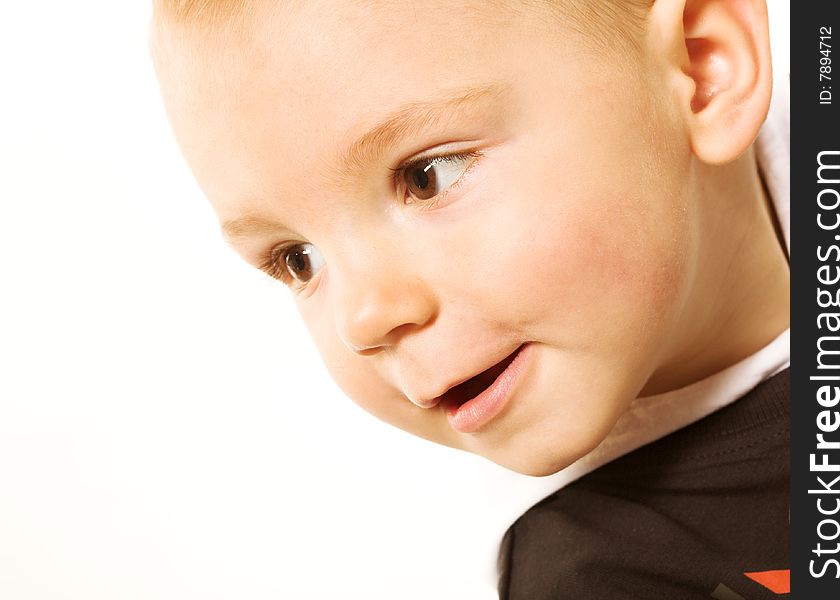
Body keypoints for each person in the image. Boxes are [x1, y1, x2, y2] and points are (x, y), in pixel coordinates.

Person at [151, 0, 790, 597]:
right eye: (298, 259)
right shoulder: (603, 574)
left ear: (705, 71)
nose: (363, 318)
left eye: (428, 177)